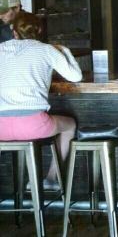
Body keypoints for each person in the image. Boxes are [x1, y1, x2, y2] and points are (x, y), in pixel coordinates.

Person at [0, 12, 81, 190]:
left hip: (1, 128)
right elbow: (76, 77)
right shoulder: (46, 50)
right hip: (33, 125)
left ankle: (14, 193)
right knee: (70, 125)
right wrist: (64, 51)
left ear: (14, 32)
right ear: (39, 31)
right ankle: (51, 179)